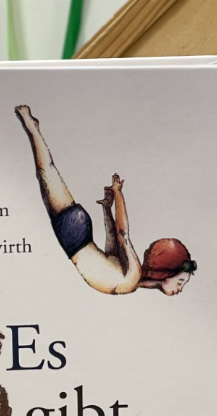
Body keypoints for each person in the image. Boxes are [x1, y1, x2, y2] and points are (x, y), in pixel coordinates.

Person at [15, 105, 196, 296]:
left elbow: (111, 247)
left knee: (47, 173)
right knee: (46, 172)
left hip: (76, 235)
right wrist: (118, 193)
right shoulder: (132, 275)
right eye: (180, 282)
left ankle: (34, 130)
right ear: (165, 273)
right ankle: (33, 128)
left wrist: (107, 209)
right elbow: (122, 233)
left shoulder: (131, 283)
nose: (179, 289)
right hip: (74, 236)